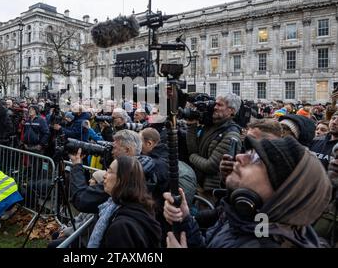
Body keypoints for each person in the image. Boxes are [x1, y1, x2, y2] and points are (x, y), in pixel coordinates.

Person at [164, 136, 332, 248]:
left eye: (257, 160)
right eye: (248, 152)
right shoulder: (247, 219)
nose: (239, 157)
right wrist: (185, 219)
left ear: (286, 191)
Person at [86, 156, 161, 248]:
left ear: (122, 180)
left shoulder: (121, 227)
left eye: (110, 171)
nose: (104, 175)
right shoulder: (140, 207)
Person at [186, 93, 242, 201]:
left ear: (231, 111)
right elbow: (193, 149)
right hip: (199, 184)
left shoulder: (231, 134)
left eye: (220, 105)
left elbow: (210, 166)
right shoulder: (211, 126)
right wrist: (191, 126)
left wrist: (191, 157)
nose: (215, 107)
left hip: (212, 192)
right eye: (215, 104)